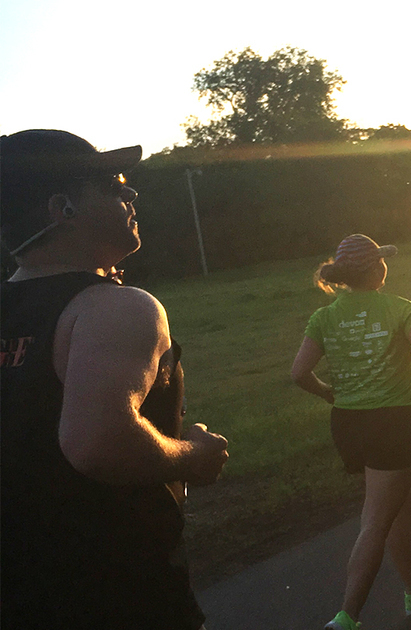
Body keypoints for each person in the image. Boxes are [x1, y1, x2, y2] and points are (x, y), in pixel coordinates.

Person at [0, 129, 230, 628]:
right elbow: (99, 443)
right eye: (111, 183)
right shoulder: (114, 307)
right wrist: (196, 457)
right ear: (63, 209)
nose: (130, 193)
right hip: (113, 591)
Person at [291, 234, 411, 630]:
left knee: (397, 506)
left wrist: (328, 392)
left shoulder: (325, 317)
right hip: (391, 423)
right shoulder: (399, 308)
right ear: (378, 269)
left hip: (348, 423)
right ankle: (347, 617)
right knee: (376, 521)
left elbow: (299, 372)